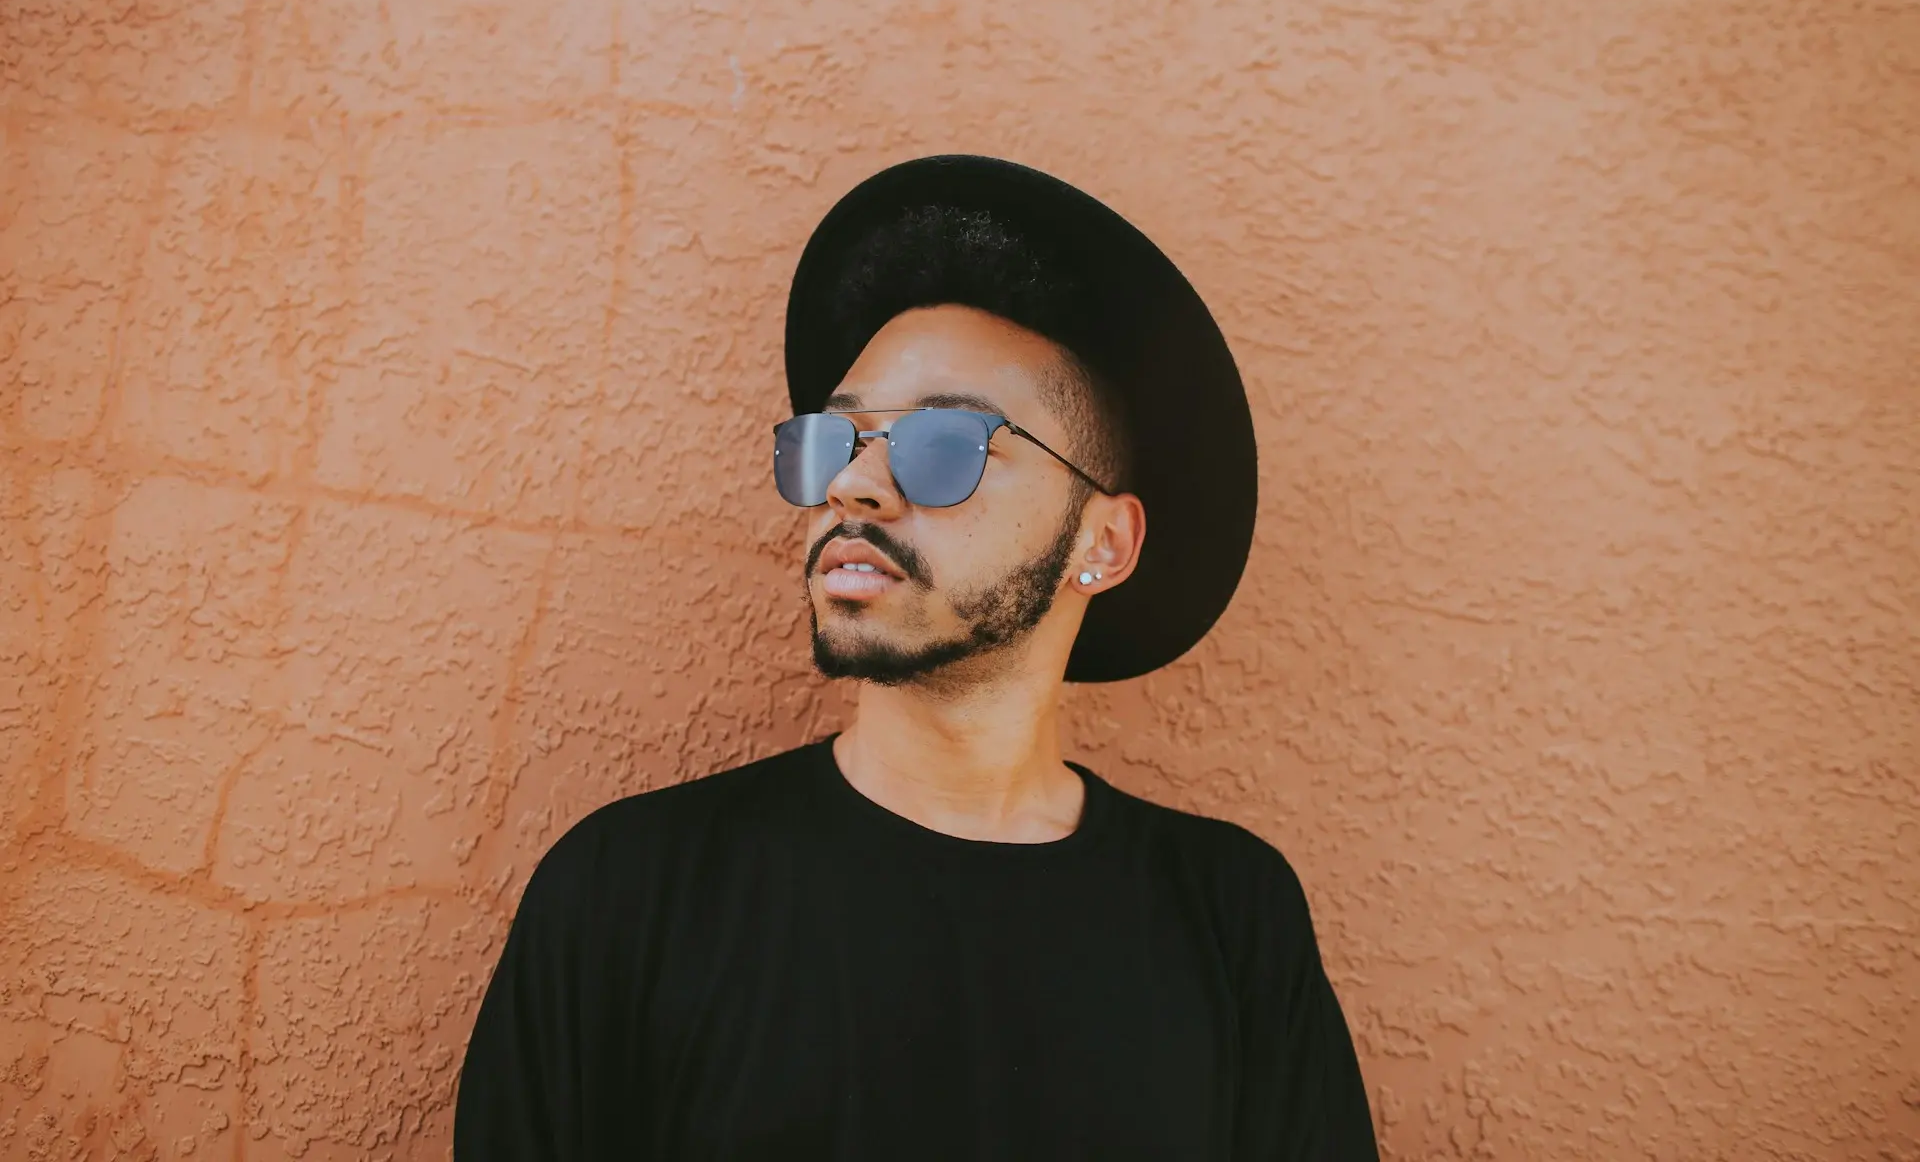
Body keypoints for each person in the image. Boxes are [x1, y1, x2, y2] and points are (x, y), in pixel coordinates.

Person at [453, 156, 1380, 1160]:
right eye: (835, 440)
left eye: (943, 446)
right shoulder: (628, 894)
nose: (854, 485)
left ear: (1102, 542)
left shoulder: (1228, 917)